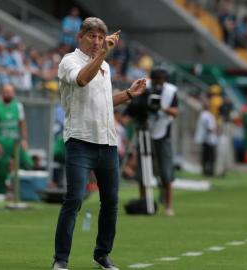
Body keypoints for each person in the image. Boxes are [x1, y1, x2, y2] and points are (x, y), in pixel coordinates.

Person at [52, 17, 146, 270]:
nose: (96, 41)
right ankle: (61, 259)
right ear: (79, 37)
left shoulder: (104, 66)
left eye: (99, 37)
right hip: (80, 141)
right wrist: (102, 54)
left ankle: (102, 254)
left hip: (107, 142)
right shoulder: (69, 61)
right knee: (74, 199)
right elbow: (82, 80)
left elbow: (104, 101)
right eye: (91, 36)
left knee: (111, 202)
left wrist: (127, 94)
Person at [0, 84, 32, 194]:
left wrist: (24, 139)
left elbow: (22, 123)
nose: (8, 94)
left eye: (10, 92)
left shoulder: (18, 106)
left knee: (27, 162)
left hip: (15, 142)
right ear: (1, 93)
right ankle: (1, 192)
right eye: (6, 92)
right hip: (1, 142)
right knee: (1, 170)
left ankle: (22, 190)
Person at [145, 67, 179, 216]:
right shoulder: (145, 88)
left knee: (166, 170)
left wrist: (161, 108)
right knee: (144, 171)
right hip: (145, 131)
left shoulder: (171, 91)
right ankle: (144, 203)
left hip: (163, 133)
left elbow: (175, 111)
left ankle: (168, 205)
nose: (158, 84)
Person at [194, 101, 218, 176]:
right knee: (210, 157)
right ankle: (209, 171)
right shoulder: (206, 116)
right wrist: (215, 130)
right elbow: (209, 127)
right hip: (208, 139)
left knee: (206, 156)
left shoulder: (203, 115)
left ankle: (206, 171)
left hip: (206, 139)